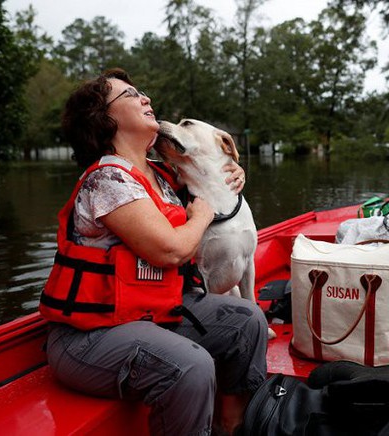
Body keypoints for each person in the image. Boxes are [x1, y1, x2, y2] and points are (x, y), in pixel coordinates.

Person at [39, 68, 268, 436]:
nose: (145, 98)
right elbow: (171, 250)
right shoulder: (108, 179)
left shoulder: (161, 176)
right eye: (130, 95)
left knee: (248, 320)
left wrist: (232, 168)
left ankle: (232, 426)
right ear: (104, 119)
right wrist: (201, 215)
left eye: (142, 92)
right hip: (88, 338)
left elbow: (207, 170)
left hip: (147, 314)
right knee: (191, 365)